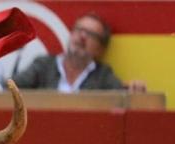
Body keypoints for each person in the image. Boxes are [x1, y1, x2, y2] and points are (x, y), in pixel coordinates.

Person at [11, 12, 146, 93]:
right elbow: (10, 90)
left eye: (91, 35)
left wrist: (135, 89)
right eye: (79, 30)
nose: (82, 36)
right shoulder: (44, 65)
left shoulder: (103, 76)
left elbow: (123, 97)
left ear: (100, 49)